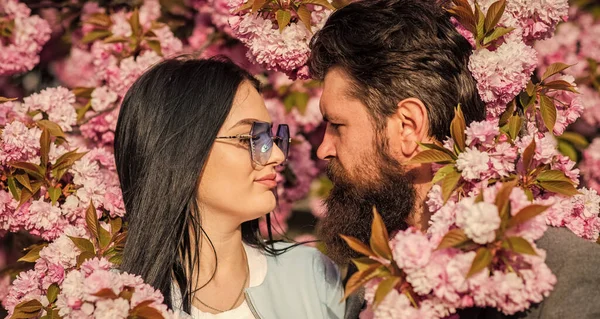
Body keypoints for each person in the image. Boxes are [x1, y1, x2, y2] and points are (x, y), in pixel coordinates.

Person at [308, 0, 600, 318]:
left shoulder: (561, 268)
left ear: (408, 127)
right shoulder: (368, 275)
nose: (323, 149)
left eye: (337, 125)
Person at [113, 56, 346, 319]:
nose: (277, 157)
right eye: (250, 138)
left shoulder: (311, 277)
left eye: (270, 137)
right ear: (181, 152)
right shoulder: (112, 301)